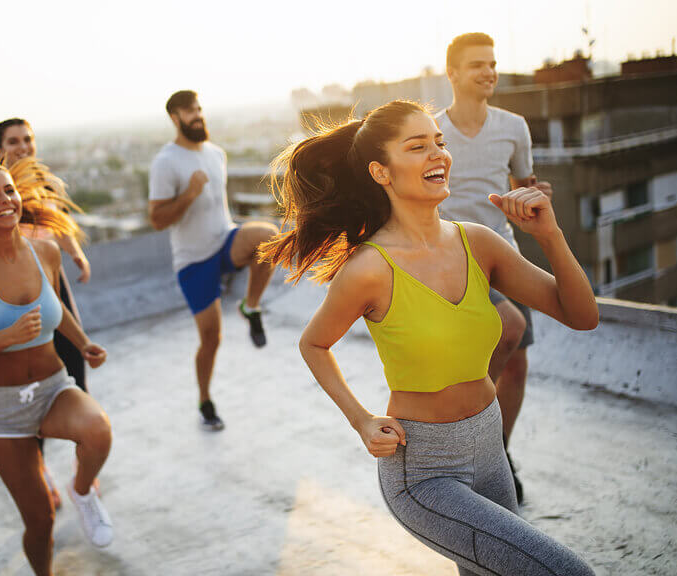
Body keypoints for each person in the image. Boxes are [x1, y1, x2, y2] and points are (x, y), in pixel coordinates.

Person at [259, 100, 597, 575]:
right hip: (423, 471)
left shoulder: (477, 242)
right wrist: (360, 420)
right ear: (381, 172)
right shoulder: (368, 269)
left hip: (488, 446)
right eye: (417, 146)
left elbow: (581, 315)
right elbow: (313, 344)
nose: (438, 154)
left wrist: (550, 235)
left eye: (439, 142)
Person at [0, 161, 114, 575]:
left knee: (98, 430)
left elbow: (57, 311)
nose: (5, 200)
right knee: (40, 522)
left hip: (53, 387)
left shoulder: (47, 252)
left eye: (9, 191)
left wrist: (84, 342)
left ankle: (83, 493)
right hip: (3, 410)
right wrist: (6, 337)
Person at [436, 32, 553, 502]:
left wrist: (532, 201)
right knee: (509, 327)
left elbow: (525, 188)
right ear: (453, 73)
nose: (488, 72)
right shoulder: (431, 130)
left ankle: (496, 456)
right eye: (476, 65)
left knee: (518, 366)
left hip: (504, 255)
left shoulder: (513, 127)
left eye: (492, 63)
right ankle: (466, 438)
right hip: (450, 257)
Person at [0, 118, 93, 508]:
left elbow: (60, 223)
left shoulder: (47, 183)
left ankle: (83, 471)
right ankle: (40, 475)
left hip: (54, 292)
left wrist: (75, 253)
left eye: (28, 140)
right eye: (13, 141)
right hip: (17, 301)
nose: (23, 147)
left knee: (76, 374)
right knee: (31, 391)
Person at [148, 90, 279, 431]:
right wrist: (188, 194)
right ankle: (205, 400)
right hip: (193, 261)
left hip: (224, 240)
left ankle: (251, 307)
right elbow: (157, 219)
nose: (198, 116)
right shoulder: (165, 162)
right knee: (211, 338)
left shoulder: (215, 154)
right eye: (190, 112)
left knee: (268, 237)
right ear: (175, 118)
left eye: (199, 109)